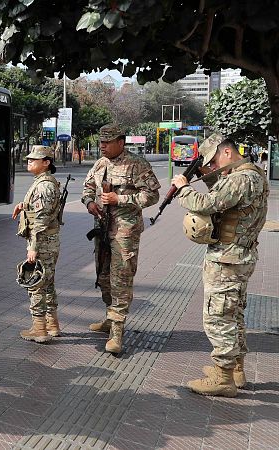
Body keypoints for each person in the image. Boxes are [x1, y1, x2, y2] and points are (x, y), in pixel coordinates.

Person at [173, 135, 269, 397]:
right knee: (233, 313)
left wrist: (183, 188)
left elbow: (207, 204)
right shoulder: (251, 174)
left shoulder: (240, 178)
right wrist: (209, 176)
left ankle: (223, 377)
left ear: (226, 152)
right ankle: (236, 369)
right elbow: (225, 198)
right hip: (238, 255)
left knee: (217, 316)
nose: (213, 165)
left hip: (228, 259)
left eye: (214, 160)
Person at [81, 123, 160, 354]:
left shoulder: (136, 164)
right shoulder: (99, 164)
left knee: (121, 279)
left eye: (108, 142)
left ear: (121, 142)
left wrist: (121, 200)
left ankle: (117, 332)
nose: (103, 146)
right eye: (101, 142)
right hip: (102, 228)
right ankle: (109, 318)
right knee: (103, 275)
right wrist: (90, 203)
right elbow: (87, 188)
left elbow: (152, 195)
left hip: (125, 232)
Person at [12, 145, 61, 342]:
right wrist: (23, 206)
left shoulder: (44, 186)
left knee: (36, 283)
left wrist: (33, 246)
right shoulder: (43, 183)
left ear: (46, 163)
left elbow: (41, 220)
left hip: (43, 242)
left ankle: (39, 329)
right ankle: (52, 325)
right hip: (48, 240)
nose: (29, 162)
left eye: (34, 159)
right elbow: (42, 209)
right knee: (47, 283)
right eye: (29, 159)